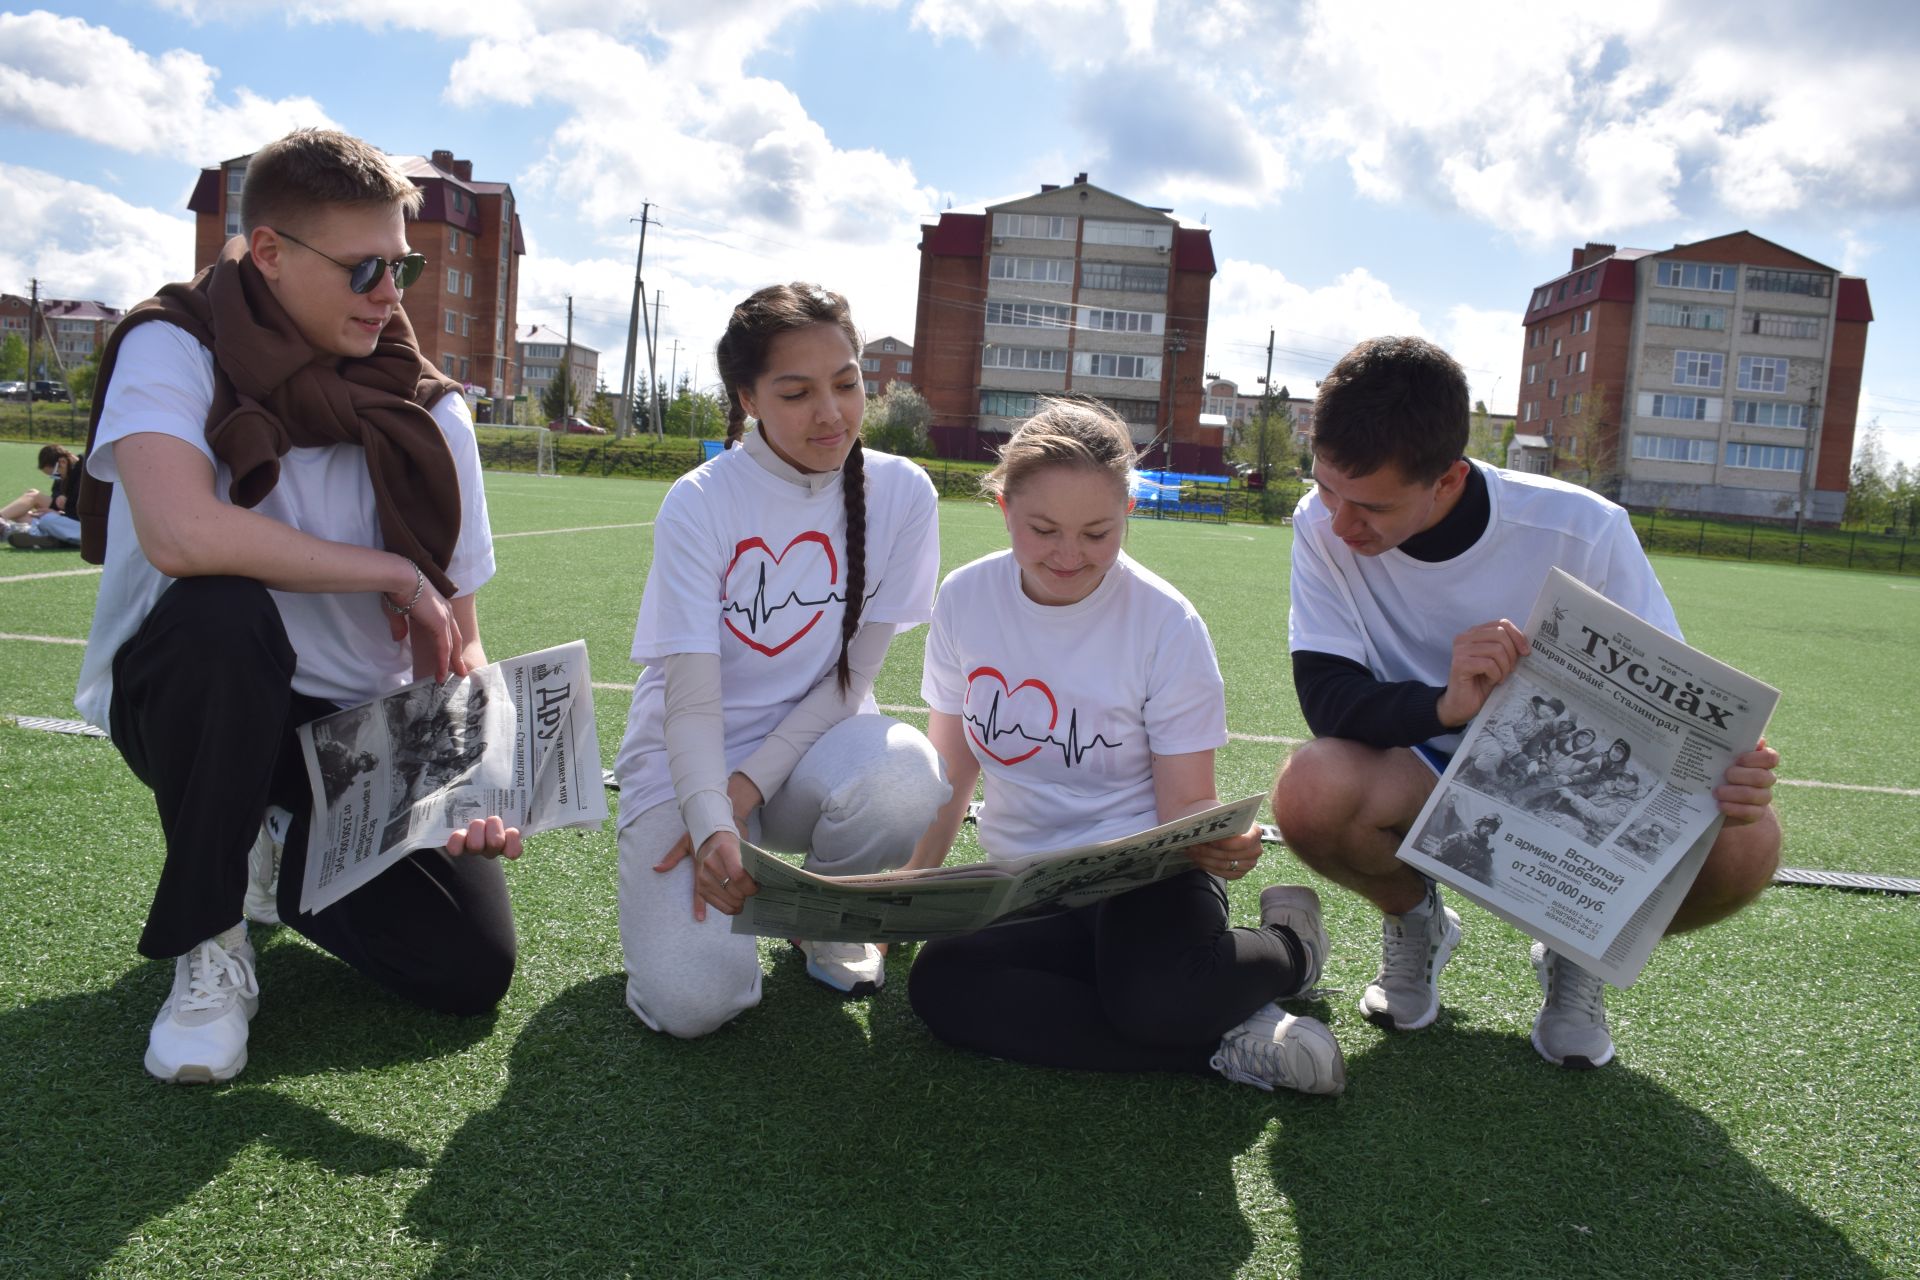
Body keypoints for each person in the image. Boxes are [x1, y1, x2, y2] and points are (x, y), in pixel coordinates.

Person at [71, 128, 519, 1084]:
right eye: (364, 269)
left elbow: (464, 641)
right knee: (222, 614)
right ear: (267, 254)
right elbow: (182, 535)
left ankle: (278, 840)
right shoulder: (177, 344)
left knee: (465, 967)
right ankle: (214, 936)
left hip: (362, 731)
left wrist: (483, 775)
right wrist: (389, 574)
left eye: (403, 264)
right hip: (197, 694)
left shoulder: (430, 413)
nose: (393, 296)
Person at [1272, 335, 1781, 1070]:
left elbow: (1675, 711)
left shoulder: (1583, 527)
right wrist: (1445, 707)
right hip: (1421, 767)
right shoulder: (1318, 526)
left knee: (1748, 845)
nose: (1340, 524)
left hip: (1568, 787)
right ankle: (1416, 917)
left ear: (1446, 481)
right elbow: (1326, 697)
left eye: (1370, 505)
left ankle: (1580, 945)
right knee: (1312, 787)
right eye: (1325, 489)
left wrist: (1730, 776)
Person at [905, 399, 1344, 1096]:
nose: (1069, 556)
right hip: (1030, 886)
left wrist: (1219, 844)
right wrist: (908, 893)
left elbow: (1185, 805)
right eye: (1042, 529)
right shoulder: (965, 599)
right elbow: (950, 766)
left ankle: (1290, 947)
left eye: (1097, 533)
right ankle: (1220, 1045)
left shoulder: (1166, 625)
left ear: (1127, 515)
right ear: (1002, 509)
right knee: (941, 982)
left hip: (1146, 881)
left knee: (1156, 996)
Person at [614, 282, 949, 1038]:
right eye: (796, 393)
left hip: (808, 754)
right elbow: (690, 704)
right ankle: (707, 891)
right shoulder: (700, 501)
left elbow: (852, 682)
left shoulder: (903, 494)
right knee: (696, 1006)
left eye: (847, 383)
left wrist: (744, 792)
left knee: (904, 774)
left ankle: (820, 918)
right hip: (685, 758)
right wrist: (708, 815)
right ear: (748, 397)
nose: (831, 414)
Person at [6, 444, 83, 548]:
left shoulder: (87, 474)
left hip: (90, 530)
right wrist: (59, 502)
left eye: (56, 474)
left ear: (63, 462)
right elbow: (57, 492)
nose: (57, 478)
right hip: (72, 520)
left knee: (47, 520)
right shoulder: (66, 470)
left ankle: (37, 532)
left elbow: (88, 511)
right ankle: (47, 535)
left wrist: (61, 514)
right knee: (22, 515)